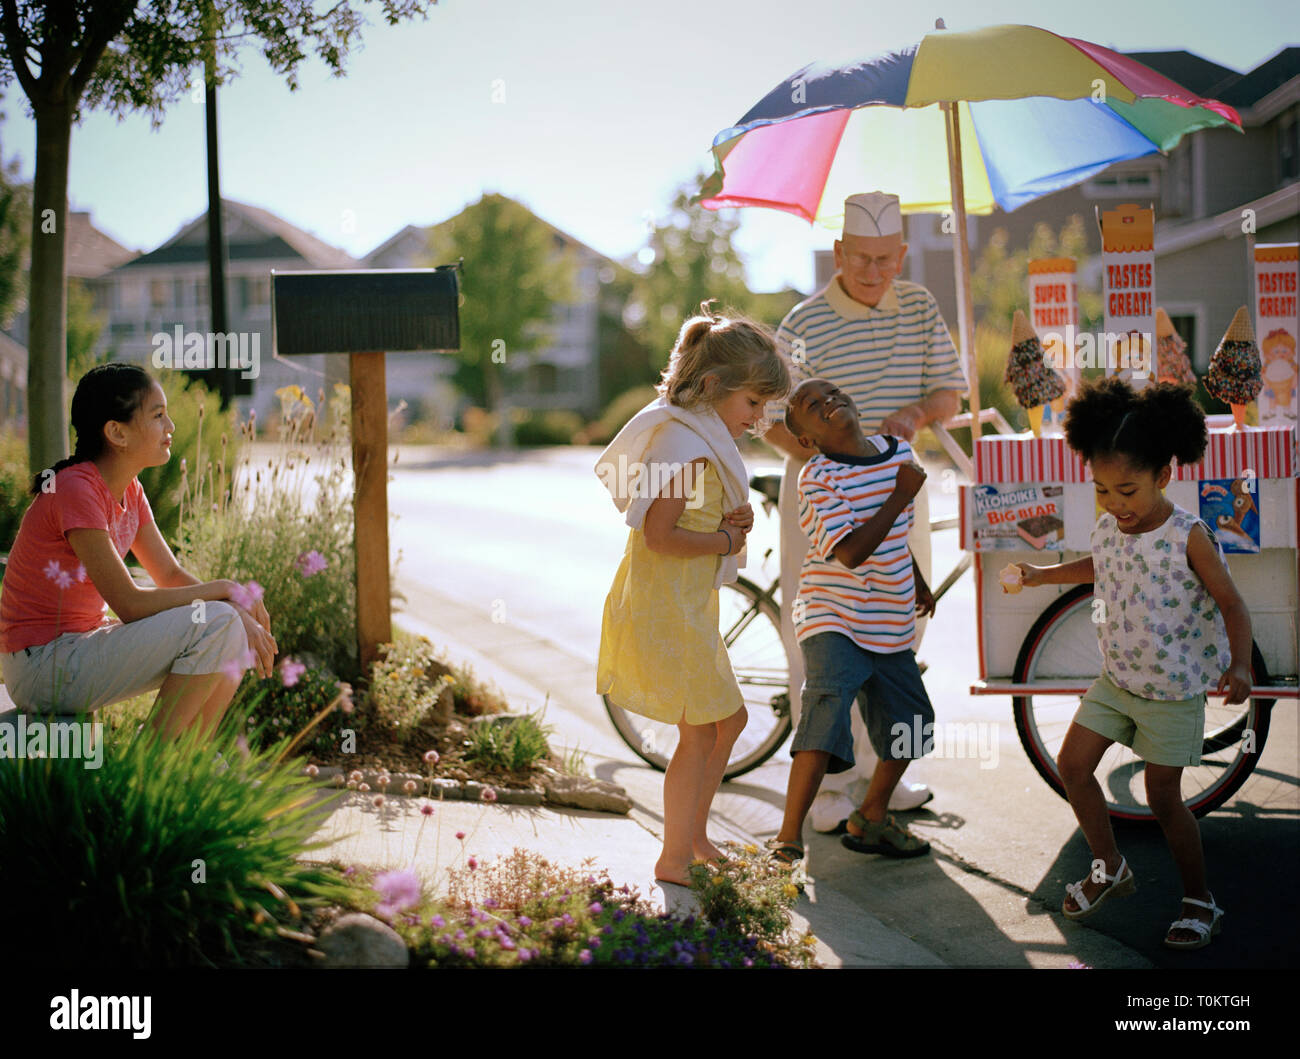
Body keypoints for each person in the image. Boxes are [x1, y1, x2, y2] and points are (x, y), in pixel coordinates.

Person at [1014, 377, 1252, 950]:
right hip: (1116, 681)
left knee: (1163, 798)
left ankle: (1200, 899)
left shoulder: (1187, 535)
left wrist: (1240, 664)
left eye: (1127, 490)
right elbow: (1098, 566)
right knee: (1073, 766)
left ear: (1164, 475)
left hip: (1172, 691)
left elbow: (1231, 602)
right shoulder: (1109, 527)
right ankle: (1109, 865)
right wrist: (1041, 574)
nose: (1115, 505)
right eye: (1101, 491)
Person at [763, 191, 967, 830]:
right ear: (838, 253)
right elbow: (770, 414)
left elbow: (950, 393)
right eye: (861, 259)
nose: (874, 271)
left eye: (885, 258)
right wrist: (815, 459)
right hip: (823, 493)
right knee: (824, 646)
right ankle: (829, 788)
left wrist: (920, 413)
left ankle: (886, 772)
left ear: (901, 253)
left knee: (897, 635)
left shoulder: (921, 306)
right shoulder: (803, 322)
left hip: (900, 484)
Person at [595, 304, 790, 885]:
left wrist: (725, 531)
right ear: (712, 386)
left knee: (722, 726)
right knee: (708, 727)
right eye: (752, 403)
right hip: (667, 610)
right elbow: (658, 535)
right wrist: (725, 536)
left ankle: (692, 838)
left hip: (681, 606)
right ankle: (674, 857)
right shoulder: (686, 449)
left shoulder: (690, 436)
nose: (758, 419)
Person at [0, 363, 276, 738]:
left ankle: (192, 758)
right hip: (42, 665)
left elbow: (171, 576)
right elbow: (128, 604)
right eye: (158, 415)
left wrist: (233, 607)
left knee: (227, 625)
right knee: (220, 623)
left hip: (76, 650)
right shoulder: (74, 489)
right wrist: (226, 590)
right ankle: (150, 765)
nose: (171, 427)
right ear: (117, 432)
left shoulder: (130, 491)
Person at [766, 378, 936, 866]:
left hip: (888, 616)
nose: (829, 403)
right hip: (831, 614)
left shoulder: (896, 452)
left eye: (832, 394)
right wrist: (901, 495)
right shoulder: (816, 477)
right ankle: (787, 838)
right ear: (806, 439)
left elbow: (896, 535)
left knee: (914, 725)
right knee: (825, 712)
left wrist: (918, 579)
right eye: (814, 407)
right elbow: (850, 552)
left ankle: (871, 816)